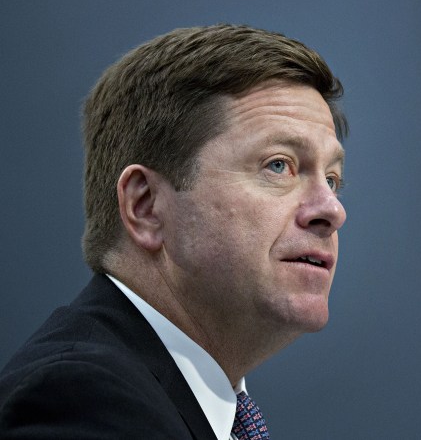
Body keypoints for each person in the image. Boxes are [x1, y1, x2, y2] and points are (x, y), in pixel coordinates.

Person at [0, 23, 347, 439]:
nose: (332, 210)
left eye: (332, 179)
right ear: (146, 207)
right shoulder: (78, 400)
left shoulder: (153, 396)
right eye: (278, 165)